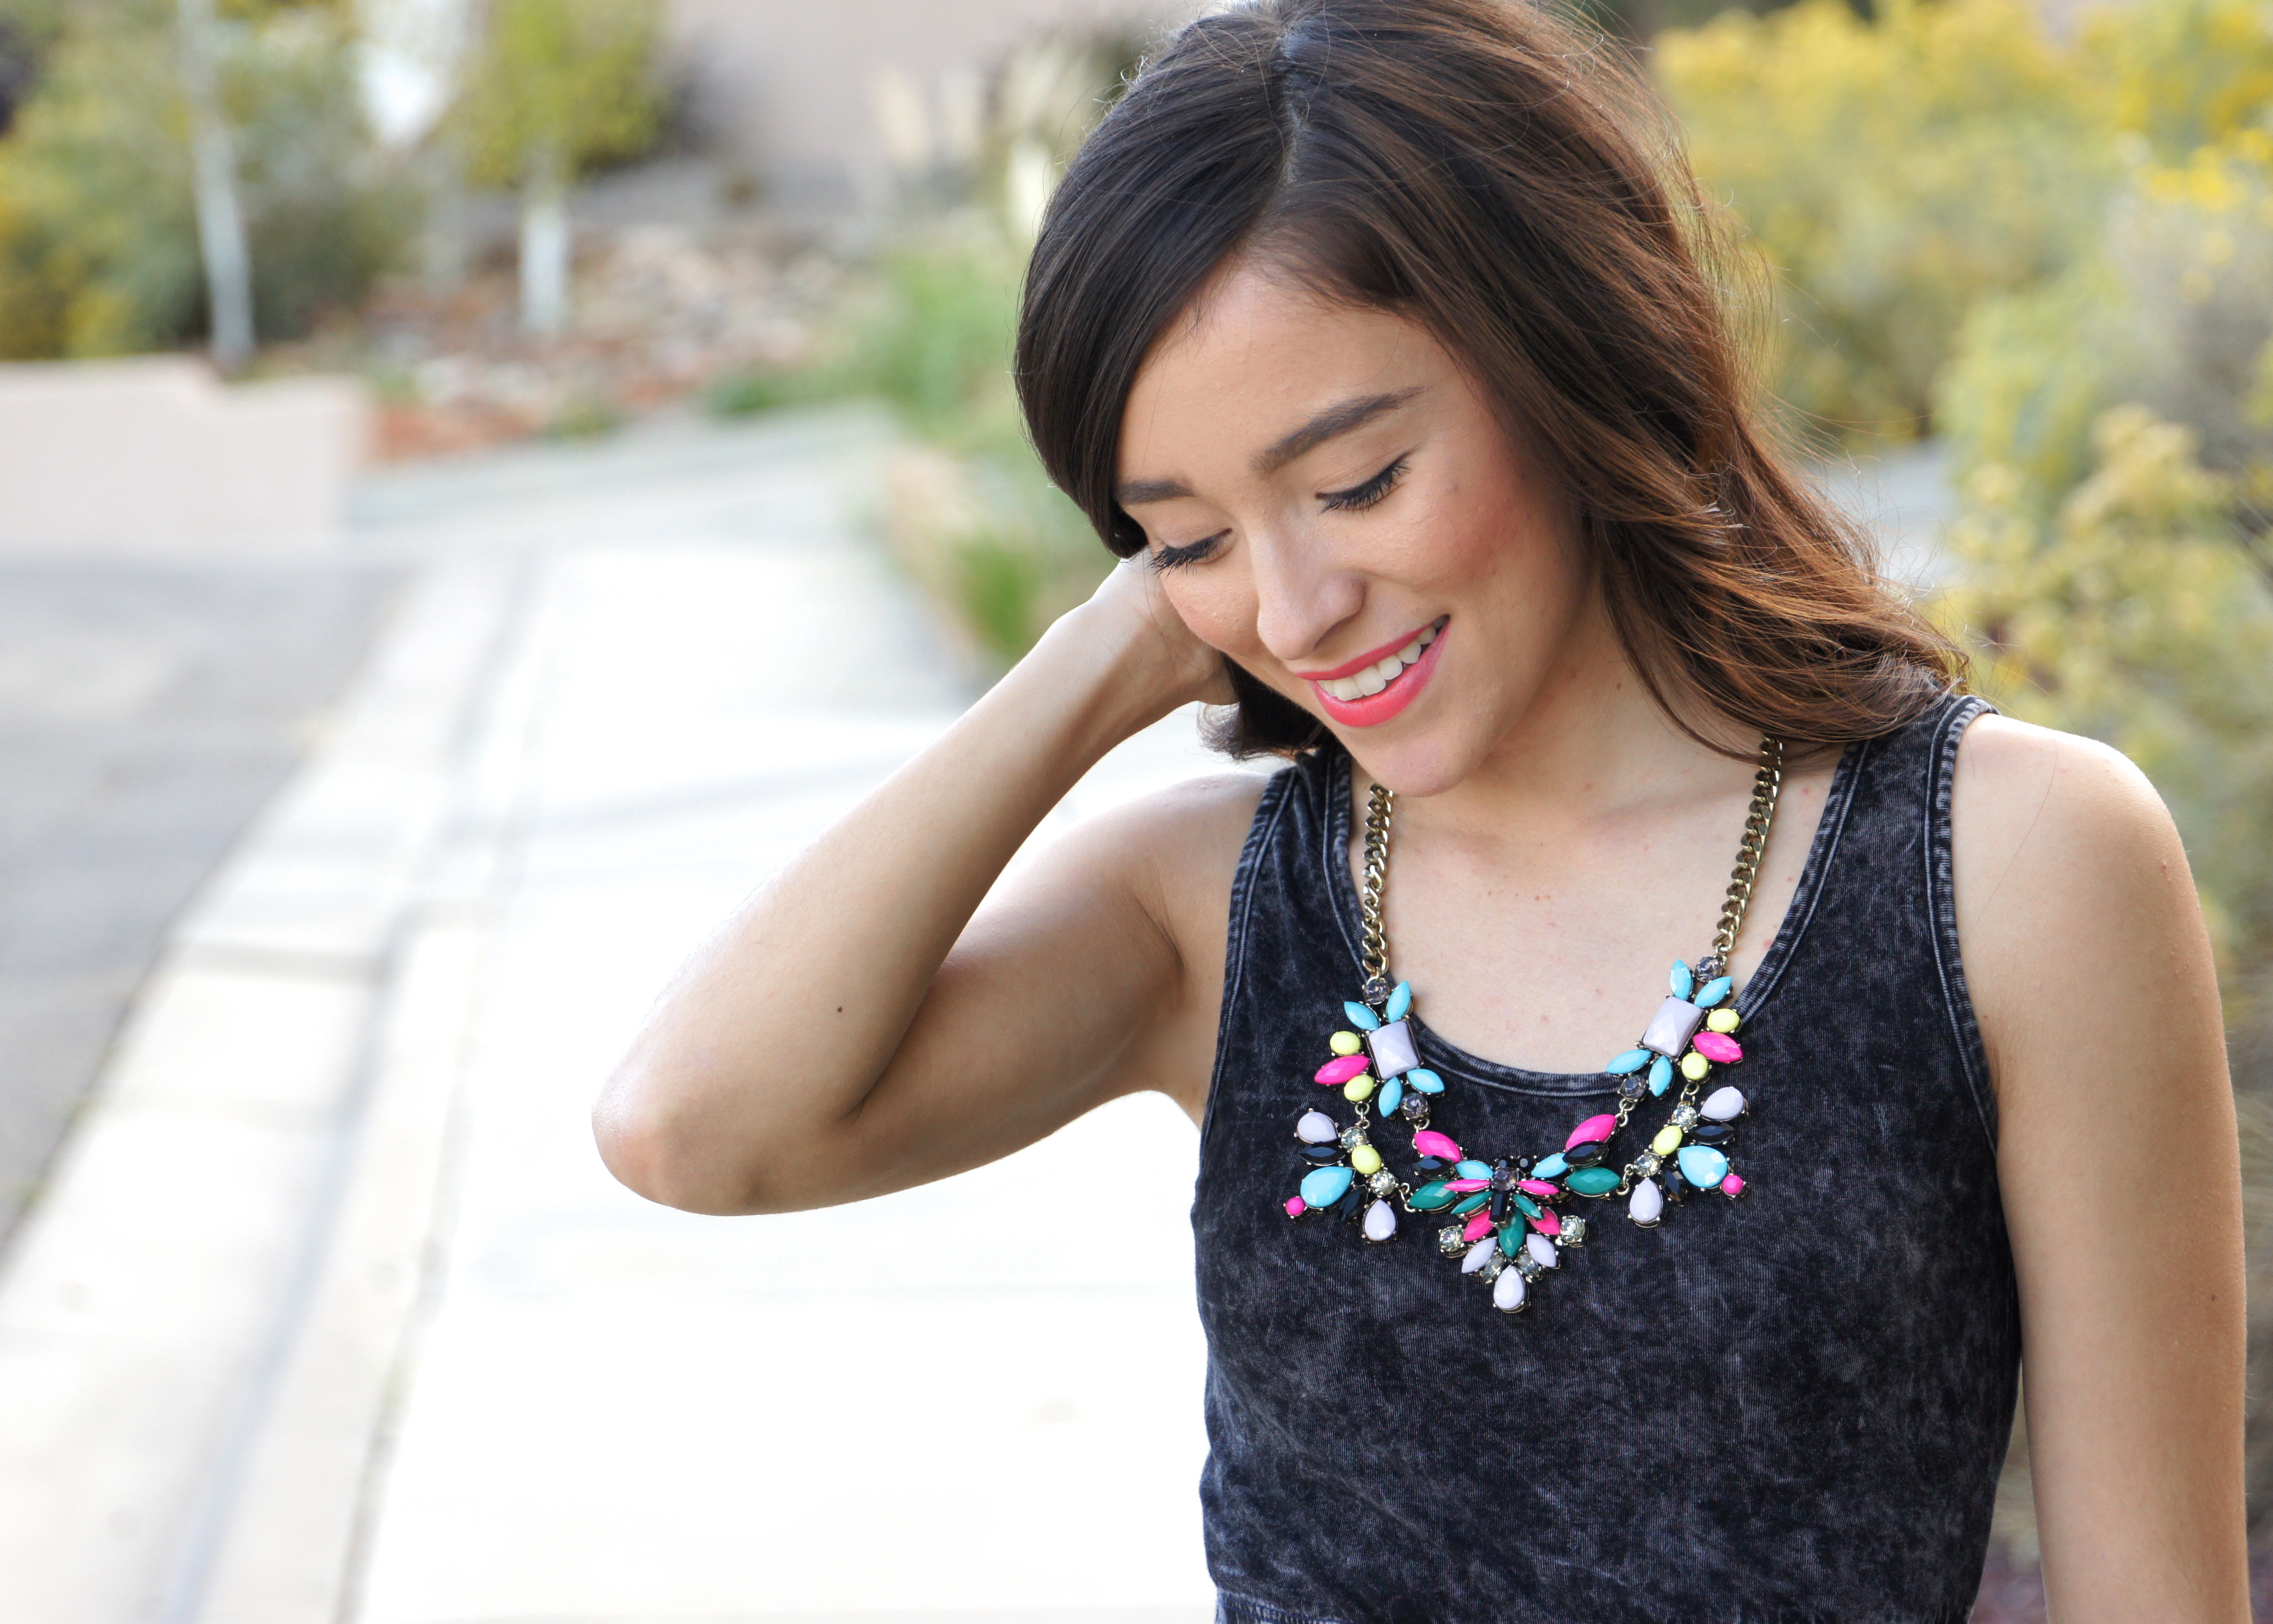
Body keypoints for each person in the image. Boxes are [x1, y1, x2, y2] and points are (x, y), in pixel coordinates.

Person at [593, 0, 2248, 1615]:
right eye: (1190, 538)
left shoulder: (2010, 867)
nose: (1294, 610)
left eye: (1356, 482)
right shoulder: (1210, 911)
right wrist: (1098, 661)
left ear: (1568, 354)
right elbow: (694, 1126)